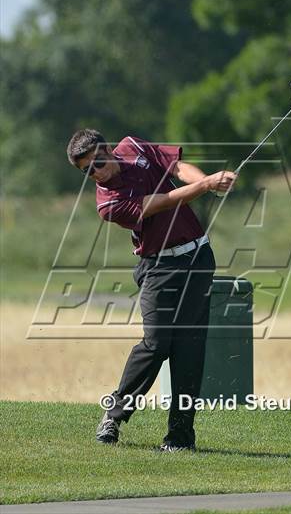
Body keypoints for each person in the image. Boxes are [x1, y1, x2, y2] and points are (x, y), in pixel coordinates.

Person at [66, 129, 237, 451]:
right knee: (157, 344)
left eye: (98, 162)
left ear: (107, 149)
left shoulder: (132, 146)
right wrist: (205, 186)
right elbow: (162, 202)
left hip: (198, 257)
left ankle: (180, 438)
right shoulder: (108, 203)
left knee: (190, 349)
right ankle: (114, 415)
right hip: (159, 267)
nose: (96, 173)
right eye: (87, 171)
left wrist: (208, 182)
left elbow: (176, 168)